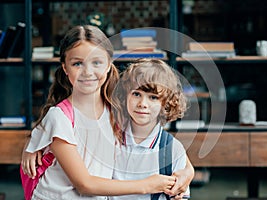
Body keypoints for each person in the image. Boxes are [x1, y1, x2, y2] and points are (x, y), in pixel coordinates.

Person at [21, 25, 193, 199]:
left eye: (96, 62)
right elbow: (84, 185)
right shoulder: (60, 116)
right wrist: (147, 185)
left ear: (109, 65)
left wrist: (188, 171)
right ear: (65, 68)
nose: (87, 72)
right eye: (77, 63)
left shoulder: (116, 109)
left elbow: (161, 142)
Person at [110, 58, 191, 199]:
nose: (143, 104)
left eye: (153, 97)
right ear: (125, 95)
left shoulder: (172, 149)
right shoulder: (111, 137)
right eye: (136, 94)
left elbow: (180, 195)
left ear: (166, 103)